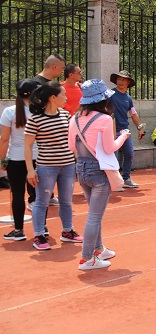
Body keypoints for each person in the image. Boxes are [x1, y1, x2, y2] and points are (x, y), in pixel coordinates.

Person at [68, 79, 131, 270]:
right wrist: (123, 136)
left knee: (94, 214)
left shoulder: (74, 118)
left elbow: (72, 146)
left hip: (81, 168)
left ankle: (98, 249)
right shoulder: (104, 119)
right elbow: (110, 147)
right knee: (94, 216)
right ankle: (87, 258)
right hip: (99, 170)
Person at [24, 82, 81, 250]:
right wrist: (30, 170)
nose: (66, 98)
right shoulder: (35, 119)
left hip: (67, 165)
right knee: (42, 202)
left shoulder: (65, 115)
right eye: (63, 94)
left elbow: (73, 140)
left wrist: (77, 161)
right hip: (46, 167)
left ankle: (67, 231)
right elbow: (28, 146)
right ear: (53, 97)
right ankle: (39, 235)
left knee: (66, 201)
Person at [1, 79, 40, 241]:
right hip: (37, 157)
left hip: (16, 158)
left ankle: (18, 230)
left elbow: (4, 139)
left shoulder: (9, 112)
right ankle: (42, 228)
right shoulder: (40, 110)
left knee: (17, 194)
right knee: (38, 195)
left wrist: (2, 160)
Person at [108, 70, 146, 189]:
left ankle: (126, 178)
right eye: (119, 79)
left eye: (124, 79)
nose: (121, 81)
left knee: (129, 154)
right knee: (113, 157)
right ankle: (113, 182)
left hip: (124, 130)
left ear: (128, 82)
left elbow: (133, 114)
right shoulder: (110, 94)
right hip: (112, 130)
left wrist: (140, 128)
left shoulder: (128, 98)